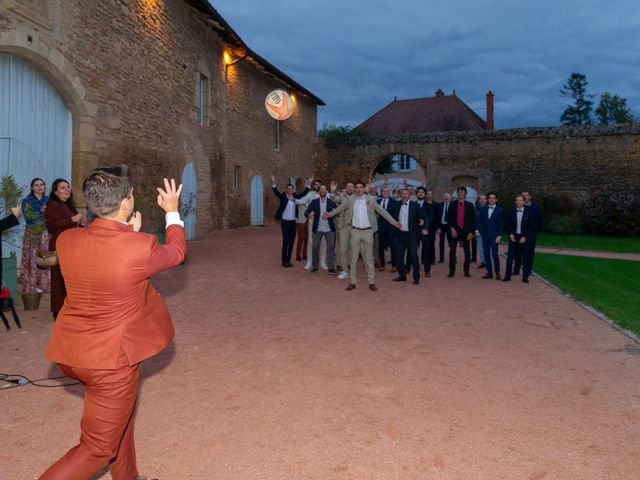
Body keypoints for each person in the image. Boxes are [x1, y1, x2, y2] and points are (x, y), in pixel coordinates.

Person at [39, 171, 186, 480]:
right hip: (110, 362)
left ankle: (127, 477)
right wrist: (172, 210)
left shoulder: (67, 239)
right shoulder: (140, 246)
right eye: (130, 195)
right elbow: (176, 252)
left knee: (120, 417)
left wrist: (127, 232)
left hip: (72, 353)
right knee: (96, 449)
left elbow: (102, 253)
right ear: (125, 203)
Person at [324, 182, 399, 291]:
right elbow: (340, 208)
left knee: (368, 259)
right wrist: (329, 215)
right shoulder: (351, 200)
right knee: (354, 259)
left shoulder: (371, 199)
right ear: (355, 189)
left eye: (361, 187)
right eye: (357, 187)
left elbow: (381, 211)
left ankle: (371, 282)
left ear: (364, 189)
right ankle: (353, 282)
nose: (359, 189)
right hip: (355, 231)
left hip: (368, 232)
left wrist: (393, 222)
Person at [45, 178, 83, 319]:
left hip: (70, 246)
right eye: (62, 188)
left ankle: (69, 308)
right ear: (55, 192)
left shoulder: (68, 206)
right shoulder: (53, 205)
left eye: (68, 187)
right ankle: (58, 310)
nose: (67, 189)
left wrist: (80, 224)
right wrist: (72, 220)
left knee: (69, 278)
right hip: (58, 245)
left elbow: (70, 225)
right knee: (58, 278)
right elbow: (52, 225)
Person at [270, 174, 310, 268]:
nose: (290, 190)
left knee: (292, 241)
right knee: (286, 241)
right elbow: (276, 192)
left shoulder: (295, 196)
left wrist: (309, 183)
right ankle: (284, 261)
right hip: (285, 222)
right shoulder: (283, 196)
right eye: (288, 188)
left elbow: (303, 194)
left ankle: (288, 260)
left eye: (291, 188)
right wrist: (273, 182)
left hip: (293, 222)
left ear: (293, 189)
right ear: (286, 189)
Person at [20, 178, 51, 294]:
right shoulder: (27, 200)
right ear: (32, 187)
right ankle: (31, 285)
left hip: (45, 232)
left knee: (44, 258)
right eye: (36, 185)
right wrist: (42, 212)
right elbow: (28, 216)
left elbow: (51, 215)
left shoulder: (48, 200)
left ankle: (45, 284)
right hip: (32, 232)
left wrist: (46, 213)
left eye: (42, 185)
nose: (39, 187)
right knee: (32, 258)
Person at [391, 189, 428, 284]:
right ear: (400, 195)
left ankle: (416, 278)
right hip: (400, 234)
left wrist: (425, 228)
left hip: (412, 235)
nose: (404, 195)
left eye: (406, 193)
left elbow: (424, 216)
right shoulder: (397, 204)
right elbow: (389, 214)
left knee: (414, 256)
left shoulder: (415, 205)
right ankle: (402, 275)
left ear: (410, 195)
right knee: (399, 256)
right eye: (402, 193)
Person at [305, 184, 337, 273]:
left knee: (331, 247)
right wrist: (309, 214)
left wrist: (332, 213)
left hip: (329, 229)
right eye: (321, 189)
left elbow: (337, 210)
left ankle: (330, 267)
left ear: (326, 191)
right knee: (315, 247)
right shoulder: (314, 202)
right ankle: (315, 267)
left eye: (324, 189)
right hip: (317, 228)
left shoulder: (331, 202)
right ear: (319, 191)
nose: (323, 190)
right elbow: (306, 212)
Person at [503, 195, 535, 283]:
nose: (518, 202)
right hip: (514, 237)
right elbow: (508, 224)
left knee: (526, 258)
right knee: (510, 257)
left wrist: (525, 237)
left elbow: (532, 226)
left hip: (524, 237)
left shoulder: (529, 212)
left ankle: (525, 277)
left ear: (524, 202)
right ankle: (507, 276)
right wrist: (510, 235)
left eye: (520, 200)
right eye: (517, 200)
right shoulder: (512, 211)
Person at [447, 186, 476, 278]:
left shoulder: (470, 205)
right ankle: (452, 271)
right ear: (457, 193)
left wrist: (471, 233)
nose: (460, 193)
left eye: (462, 192)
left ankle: (466, 270)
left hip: (466, 231)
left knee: (467, 252)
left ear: (465, 194)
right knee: (452, 250)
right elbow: (448, 218)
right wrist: (451, 228)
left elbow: (473, 220)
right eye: (459, 192)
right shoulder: (452, 204)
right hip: (455, 230)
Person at [329, 181, 355, 279]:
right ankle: (344, 270)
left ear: (354, 188)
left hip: (354, 226)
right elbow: (334, 199)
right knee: (343, 248)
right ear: (346, 188)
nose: (349, 188)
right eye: (348, 187)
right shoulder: (342, 197)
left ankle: (350, 266)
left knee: (352, 248)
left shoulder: (358, 197)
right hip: (343, 226)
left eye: (351, 187)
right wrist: (332, 190)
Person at [476, 192, 503, 280]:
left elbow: (501, 224)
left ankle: (497, 272)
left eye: (493, 198)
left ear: (496, 200)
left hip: (495, 236)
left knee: (494, 254)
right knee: (486, 254)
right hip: (485, 235)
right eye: (490, 198)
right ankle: (489, 272)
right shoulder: (483, 209)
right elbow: (479, 221)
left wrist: (500, 235)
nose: (491, 199)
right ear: (488, 199)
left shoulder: (499, 210)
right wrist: (477, 230)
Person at [520, 190, 543, 273]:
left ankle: (528, 269)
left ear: (530, 197)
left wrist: (536, 230)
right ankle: (517, 268)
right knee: (519, 252)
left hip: (531, 234)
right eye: (523, 195)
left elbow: (540, 219)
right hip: (520, 233)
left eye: (526, 195)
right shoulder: (519, 206)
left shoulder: (535, 207)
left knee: (529, 252)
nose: (524, 197)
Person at [376, 186, 398, 272]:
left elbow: (391, 212)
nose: (385, 192)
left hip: (390, 227)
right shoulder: (377, 202)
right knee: (380, 246)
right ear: (381, 193)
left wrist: (381, 212)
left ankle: (394, 265)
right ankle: (382, 265)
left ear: (389, 193)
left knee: (393, 247)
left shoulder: (394, 202)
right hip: (380, 227)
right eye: (383, 191)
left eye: (387, 191)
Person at [415, 187, 434, 278]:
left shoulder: (429, 206)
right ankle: (414, 267)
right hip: (414, 230)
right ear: (416, 194)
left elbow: (431, 217)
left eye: (422, 192)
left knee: (426, 251)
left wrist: (424, 223)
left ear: (425, 194)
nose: (420, 194)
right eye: (419, 192)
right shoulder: (412, 204)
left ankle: (427, 270)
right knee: (413, 250)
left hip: (425, 231)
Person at [436, 193, 452, 263]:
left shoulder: (452, 206)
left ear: (450, 198)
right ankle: (441, 258)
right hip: (441, 226)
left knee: (451, 243)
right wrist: (438, 227)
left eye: (448, 197)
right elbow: (437, 217)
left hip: (449, 227)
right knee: (441, 243)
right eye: (445, 197)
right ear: (443, 198)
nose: (446, 198)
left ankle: (453, 258)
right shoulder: (440, 205)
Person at [474, 194, 487, 268]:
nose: (482, 200)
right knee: (481, 248)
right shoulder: (475, 209)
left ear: (486, 200)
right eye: (481, 199)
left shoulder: (489, 208)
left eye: (484, 199)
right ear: (478, 200)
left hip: (487, 231)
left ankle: (488, 261)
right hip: (478, 231)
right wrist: (475, 230)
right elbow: (474, 220)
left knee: (488, 248)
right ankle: (483, 262)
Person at [425, 189, 437, 266]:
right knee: (424, 243)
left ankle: (432, 259)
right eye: (428, 194)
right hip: (424, 227)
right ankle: (424, 259)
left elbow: (438, 216)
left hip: (433, 227)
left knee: (431, 243)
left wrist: (438, 227)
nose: (429, 195)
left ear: (432, 195)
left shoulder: (436, 205)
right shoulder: (423, 204)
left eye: (430, 194)